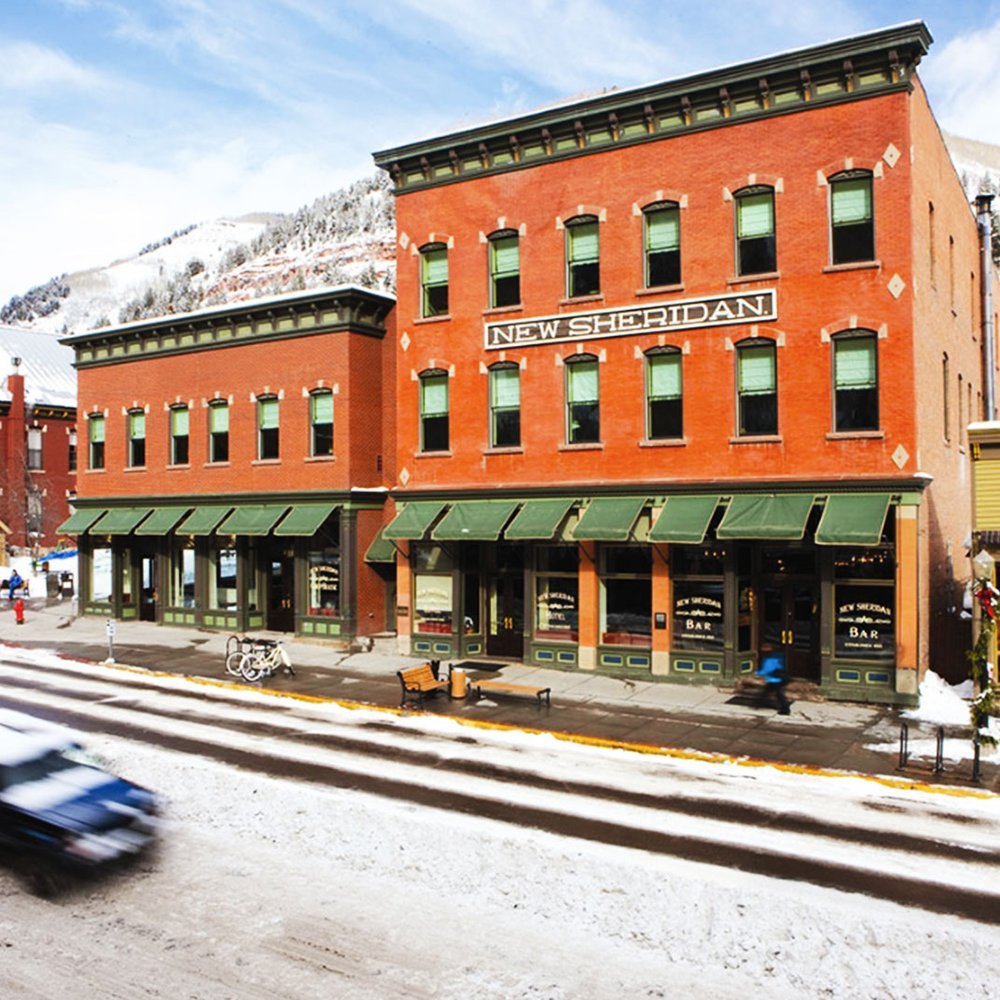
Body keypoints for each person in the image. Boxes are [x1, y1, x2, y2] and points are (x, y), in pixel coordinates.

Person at [756, 645, 791, 715]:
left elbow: (767, 670)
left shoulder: (769, 659)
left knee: (779, 694)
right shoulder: (777, 656)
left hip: (776, 680)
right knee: (768, 692)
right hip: (776, 679)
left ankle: (785, 709)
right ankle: (760, 702)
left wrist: (757, 672)